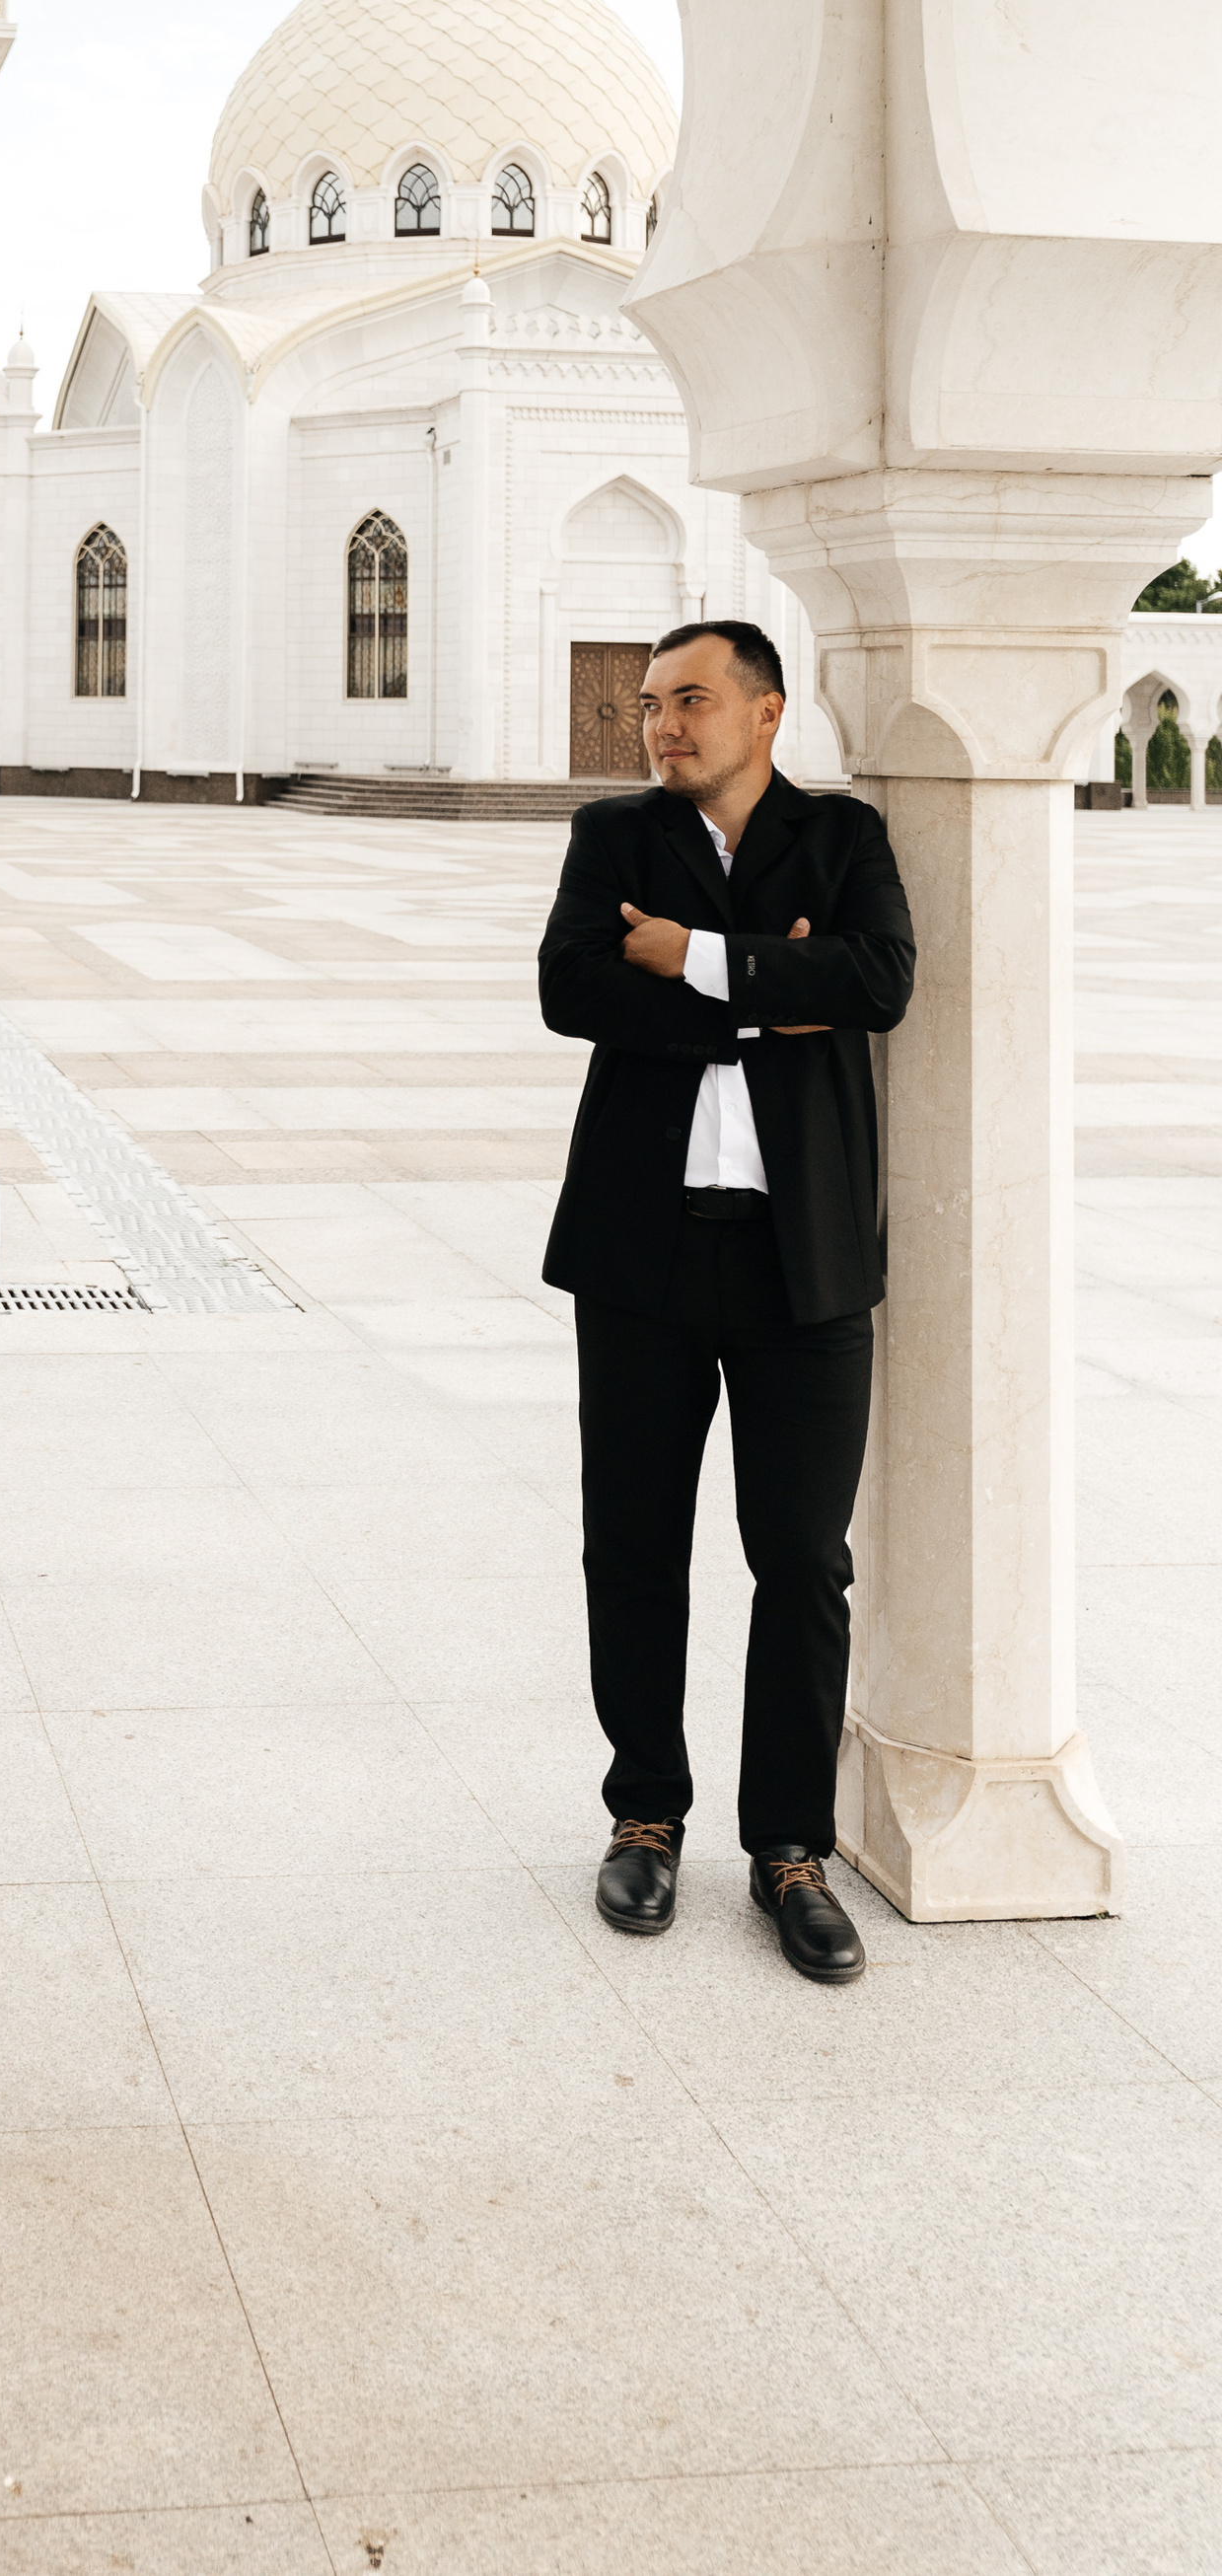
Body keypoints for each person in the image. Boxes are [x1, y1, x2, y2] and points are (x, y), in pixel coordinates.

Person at [538, 621, 915, 1983]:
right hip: (639, 1250)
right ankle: (646, 1812)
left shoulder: (844, 840)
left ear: (766, 711)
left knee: (801, 1561)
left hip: (803, 1260)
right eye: (650, 705)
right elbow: (569, 989)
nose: (661, 725)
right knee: (632, 1545)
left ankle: (790, 1851)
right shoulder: (611, 836)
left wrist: (692, 961)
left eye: (691, 700)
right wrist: (769, 991)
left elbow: (878, 982)